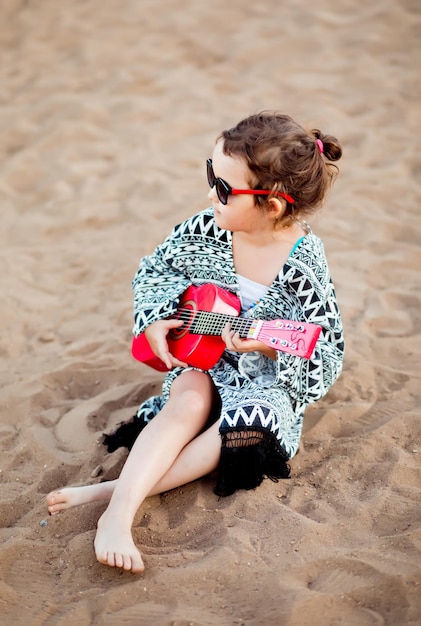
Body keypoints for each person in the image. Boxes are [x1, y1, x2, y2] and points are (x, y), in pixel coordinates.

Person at [46, 111, 345, 574]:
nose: (211, 195)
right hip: (203, 356)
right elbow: (156, 270)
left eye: (225, 189)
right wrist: (156, 318)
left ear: (274, 205)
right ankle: (118, 517)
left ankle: (114, 491)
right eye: (212, 177)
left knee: (251, 422)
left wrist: (266, 347)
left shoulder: (305, 268)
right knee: (187, 402)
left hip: (265, 377)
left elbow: (325, 349)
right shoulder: (203, 230)